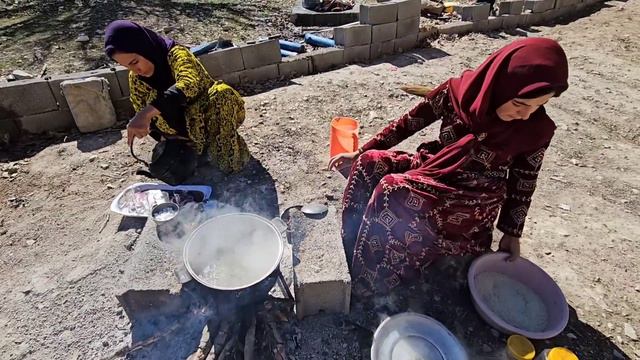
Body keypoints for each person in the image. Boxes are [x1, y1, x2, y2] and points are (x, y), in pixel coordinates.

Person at [328, 38, 569, 297]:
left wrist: (511, 232)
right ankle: (353, 242)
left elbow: (525, 180)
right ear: (500, 84)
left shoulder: (536, 129)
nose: (526, 114)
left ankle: (372, 282)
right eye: (520, 104)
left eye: (538, 106)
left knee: (392, 189)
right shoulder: (456, 93)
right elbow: (408, 123)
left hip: (474, 199)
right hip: (435, 167)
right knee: (370, 164)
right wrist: (361, 151)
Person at [104, 20, 250, 175]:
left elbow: (189, 84)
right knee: (151, 101)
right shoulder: (136, 79)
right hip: (181, 135)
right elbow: (142, 111)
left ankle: (225, 157)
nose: (135, 70)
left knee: (222, 94)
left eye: (135, 62)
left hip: (210, 119)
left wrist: (146, 113)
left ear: (145, 48)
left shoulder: (176, 54)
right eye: (128, 66)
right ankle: (190, 149)